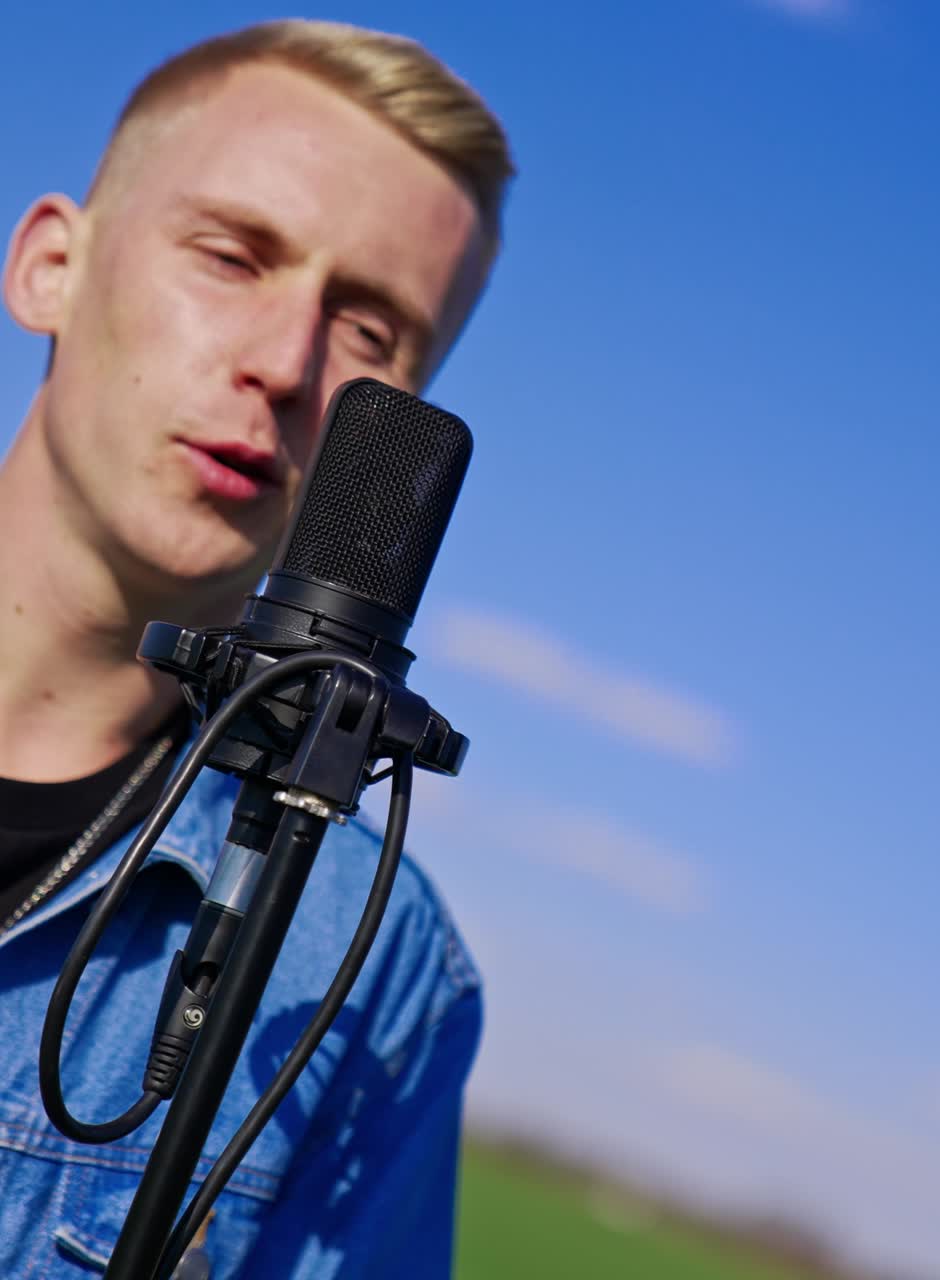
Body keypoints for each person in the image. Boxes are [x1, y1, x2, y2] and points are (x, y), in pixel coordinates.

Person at [0, 19, 513, 1278]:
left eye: (372, 334)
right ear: (51, 266)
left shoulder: (373, 966)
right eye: (232, 256)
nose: (285, 365)